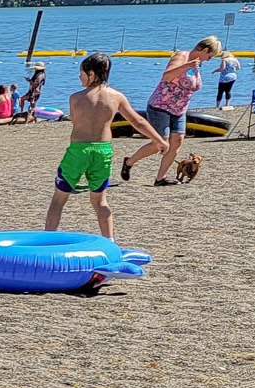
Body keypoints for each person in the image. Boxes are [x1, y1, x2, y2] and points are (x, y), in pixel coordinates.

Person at [48, 54, 166, 240]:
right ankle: (109, 241)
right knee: (100, 201)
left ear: (92, 74)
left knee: (59, 199)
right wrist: (159, 140)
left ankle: (48, 239)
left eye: (81, 73)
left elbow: (76, 121)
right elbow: (138, 121)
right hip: (103, 151)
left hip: (79, 151)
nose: (79, 77)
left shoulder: (76, 98)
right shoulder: (117, 97)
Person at [122, 35, 218, 186]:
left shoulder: (197, 65)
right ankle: (129, 162)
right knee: (160, 143)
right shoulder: (182, 57)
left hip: (179, 110)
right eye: (210, 56)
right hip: (161, 105)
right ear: (204, 50)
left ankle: (161, 178)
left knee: (177, 141)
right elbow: (166, 76)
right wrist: (187, 66)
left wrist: (193, 67)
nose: (208, 60)